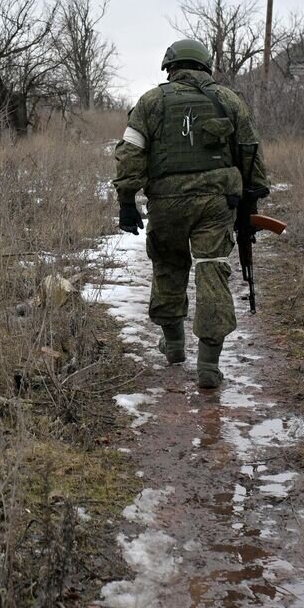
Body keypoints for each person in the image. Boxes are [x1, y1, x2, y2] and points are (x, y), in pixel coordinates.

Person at [112, 38, 269, 389]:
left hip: (166, 202)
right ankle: (209, 365)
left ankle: (173, 345)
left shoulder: (151, 102)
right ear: (205, 66)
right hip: (215, 205)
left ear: (171, 67)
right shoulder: (228, 101)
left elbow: (130, 154)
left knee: (168, 265)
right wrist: (252, 203)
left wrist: (126, 200)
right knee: (212, 270)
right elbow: (251, 155)